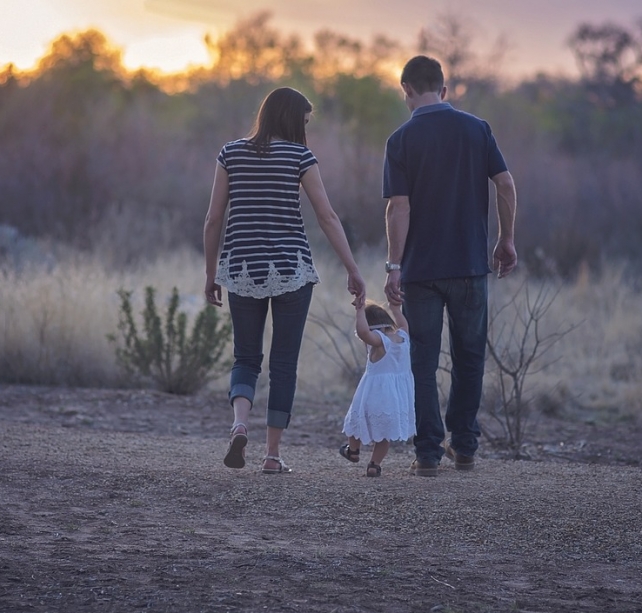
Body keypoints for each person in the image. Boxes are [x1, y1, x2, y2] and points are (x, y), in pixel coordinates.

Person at [203, 87, 366, 474]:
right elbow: (327, 217)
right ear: (293, 119)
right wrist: (352, 268)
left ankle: (240, 423)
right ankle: (272, 455)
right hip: (292, 269)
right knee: (284, 365)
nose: (306, 129)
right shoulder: (300, 157)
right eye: (305, 121)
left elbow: (213, 219)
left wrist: (211, 274)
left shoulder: (230, 153)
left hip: (241, 268)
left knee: (245, 357)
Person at [382, 55, 518, 476]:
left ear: (405, 89)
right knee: (470, 356)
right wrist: (506, 239)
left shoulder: (400, 139)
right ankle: (465, 446)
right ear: (444, 89)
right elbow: (506, 184)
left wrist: (393, 265)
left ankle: (427, 453)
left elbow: (398, 208)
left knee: (422, 361)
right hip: (470, 265)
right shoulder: (477, 129)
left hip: (421, 271)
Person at [339, 301, 416, 477]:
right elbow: (403, 323)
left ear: (373, 327)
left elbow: (363, 332)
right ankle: (374, 465)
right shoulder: (403, 337)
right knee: (384, 433)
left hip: (374, 394)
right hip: (396, 397)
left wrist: (359, 311)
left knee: (356, 421)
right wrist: (396, 309)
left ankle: (353, 450)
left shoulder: (380, 341)